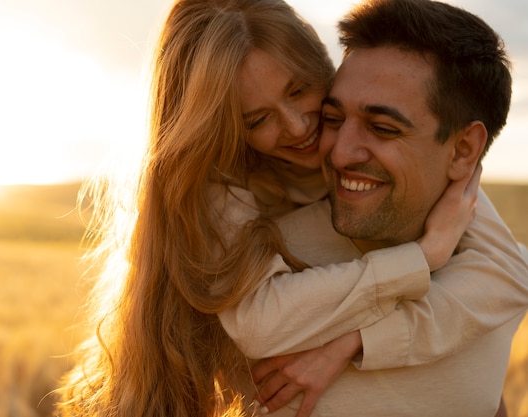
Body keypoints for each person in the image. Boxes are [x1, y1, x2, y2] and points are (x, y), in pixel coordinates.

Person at [56, 1, 528, 416]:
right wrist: (424, 257)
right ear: (225, 130)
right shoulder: (220, 196)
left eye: (303, 91)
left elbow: (509, 273)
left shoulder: (436, 189)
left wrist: (354, 342)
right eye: (258, 119)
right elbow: (260, 324)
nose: (300, 127)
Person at [236, 0, 528, 416]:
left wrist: (355, 340)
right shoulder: (258, 263)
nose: (340, 155)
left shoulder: (493, 272)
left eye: (382, 128)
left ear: (464, 150)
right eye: (333, 119)